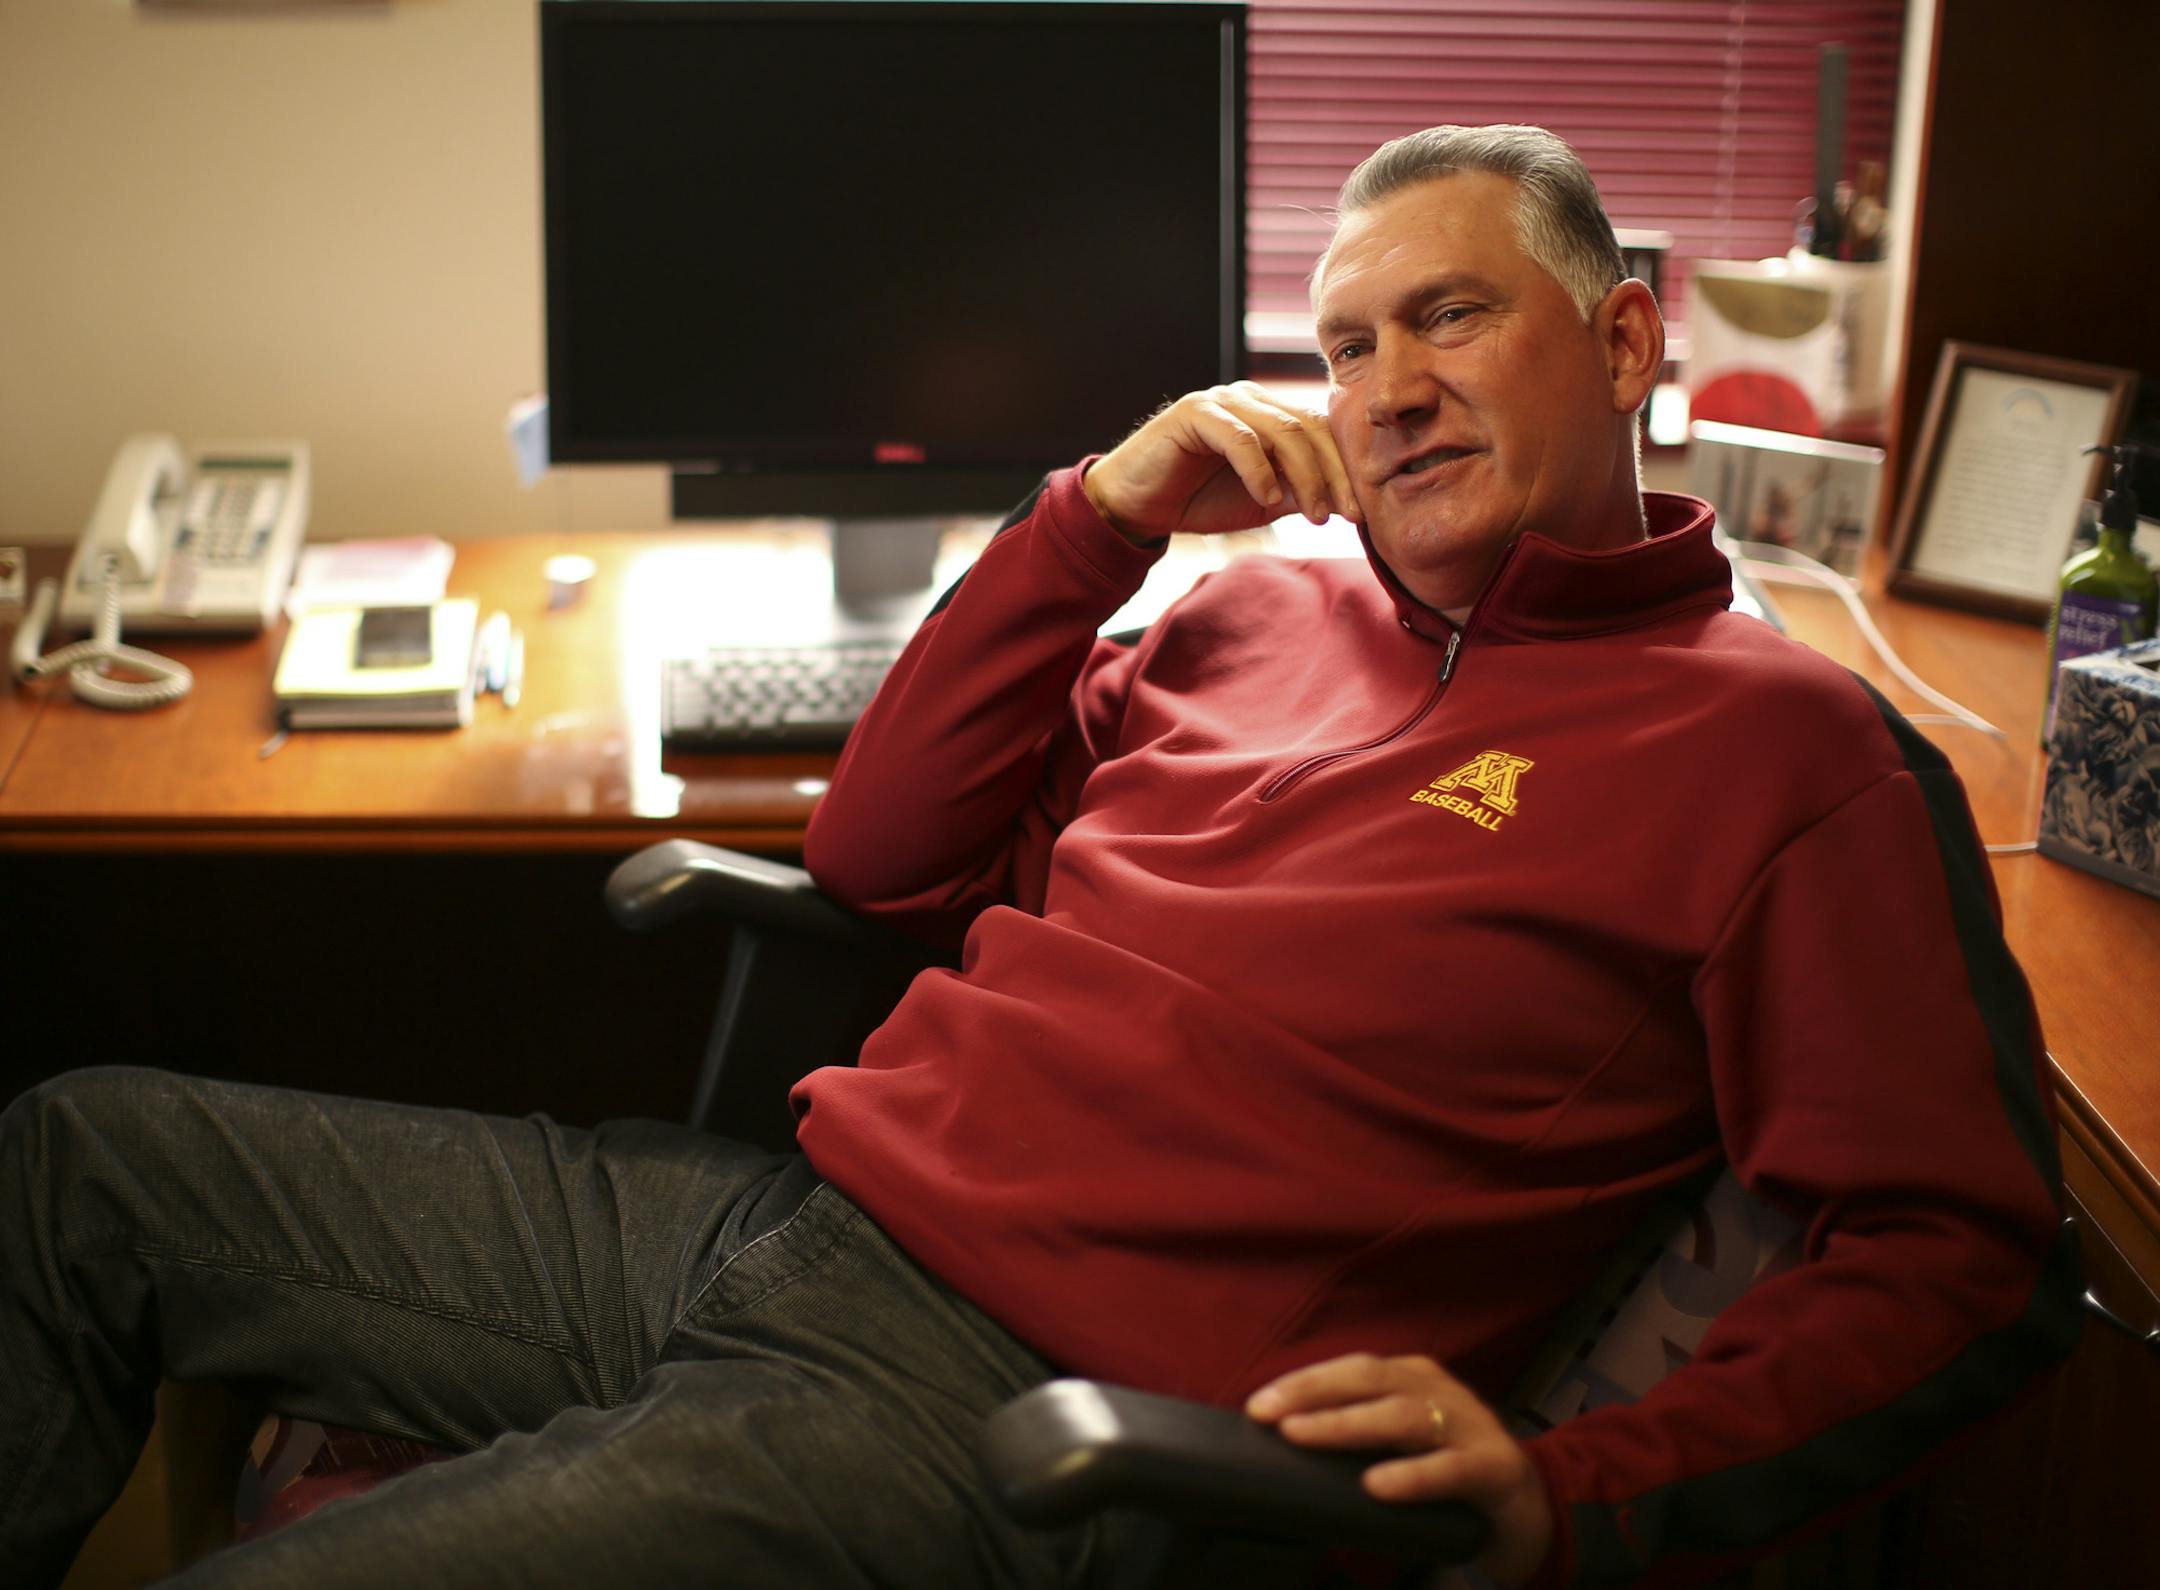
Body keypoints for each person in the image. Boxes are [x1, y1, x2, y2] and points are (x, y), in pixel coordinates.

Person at [0, 125, 2079, 1590]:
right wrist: (1093, 514)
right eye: (1347, 348)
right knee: (79, 1161)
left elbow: (1960, 1261)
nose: (1390, 396)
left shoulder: (1781, 749)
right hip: (772, 1233)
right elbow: (882, 852)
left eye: (1453, 321)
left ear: (1626, 344)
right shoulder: (1246, 606)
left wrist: (1580, 1492)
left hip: (1016, 1416)